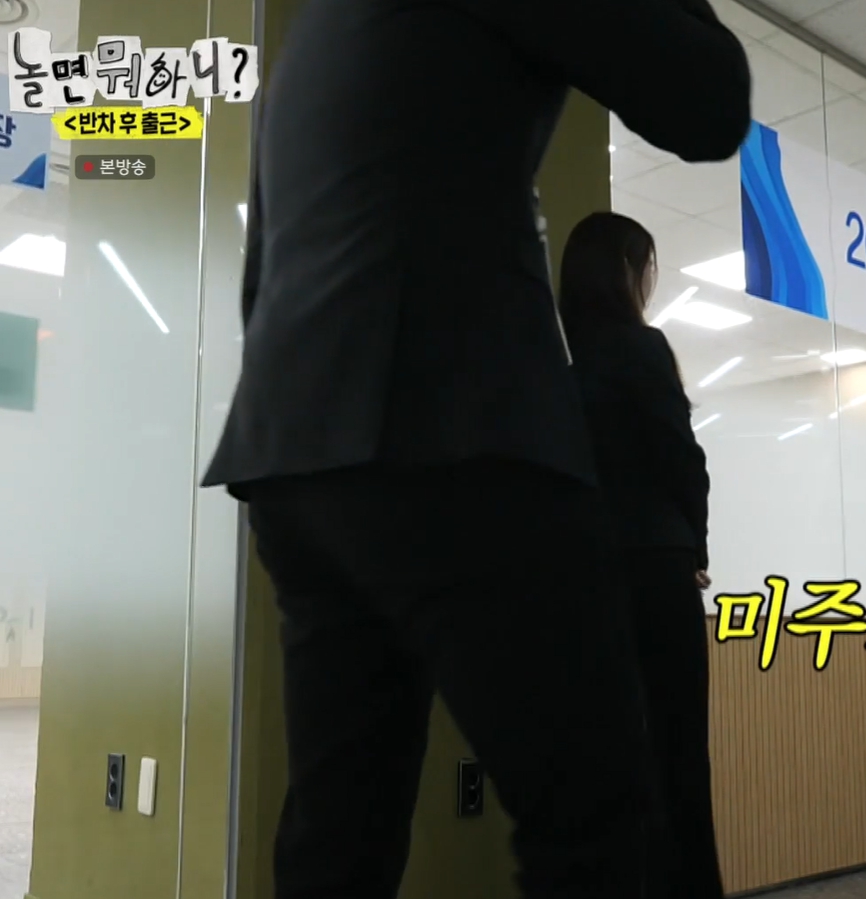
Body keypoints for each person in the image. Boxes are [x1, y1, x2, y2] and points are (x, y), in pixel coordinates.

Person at [199, 0, 752, 895]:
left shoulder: (313, 33)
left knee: (338, 836)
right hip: (454, 423)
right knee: (602, 821)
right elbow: (708, 103)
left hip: (290, 450)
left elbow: (262, 261)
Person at [559, 212, 722, 899]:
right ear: (626, 272)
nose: (651, 280)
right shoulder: (643, 347)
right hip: (656, 567)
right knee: (678, 757)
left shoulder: (561, 369)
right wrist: (695, 543)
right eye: (647, 265)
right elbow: (682, 458)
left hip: (586, 580)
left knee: (607, 763)